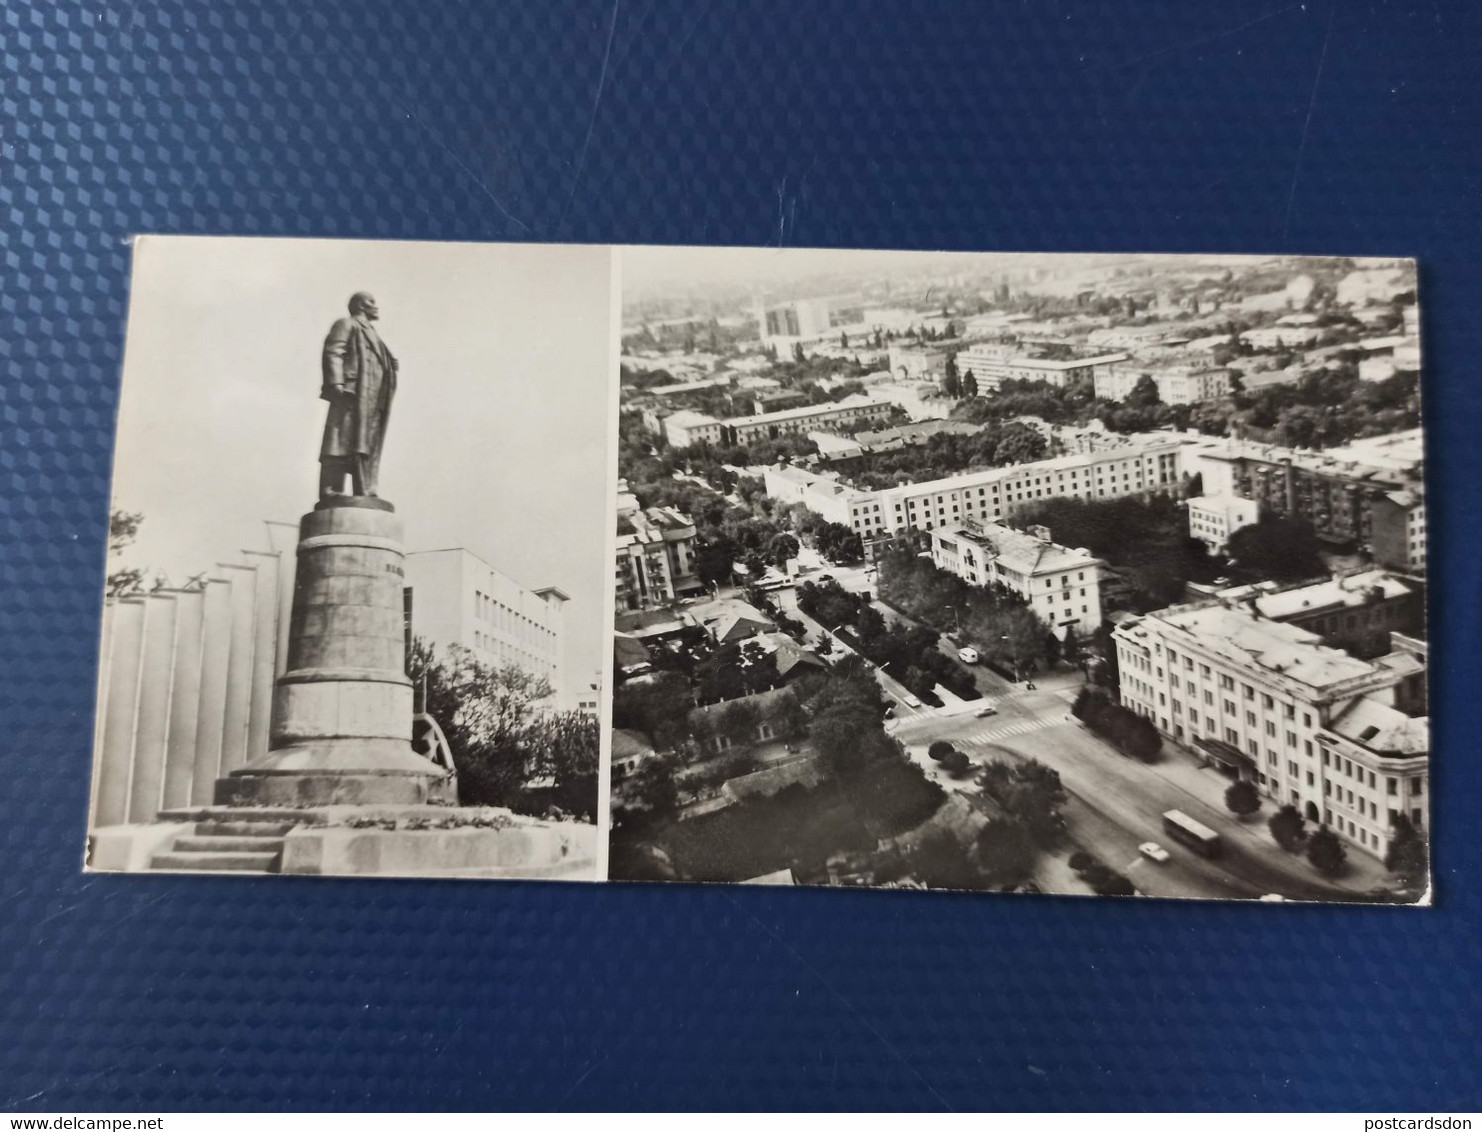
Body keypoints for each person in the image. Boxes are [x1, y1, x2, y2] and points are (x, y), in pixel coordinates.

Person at [319, 291, 397, 498]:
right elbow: (334, 351)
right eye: (372, 302)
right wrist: (336, 382)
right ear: (361, 306)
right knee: (340, 438)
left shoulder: (374, 334)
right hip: (352, 394)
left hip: (373, 399)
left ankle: (365, 488)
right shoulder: (347, 324)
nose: (376, 306)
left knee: (365, 443)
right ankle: (332, 489)